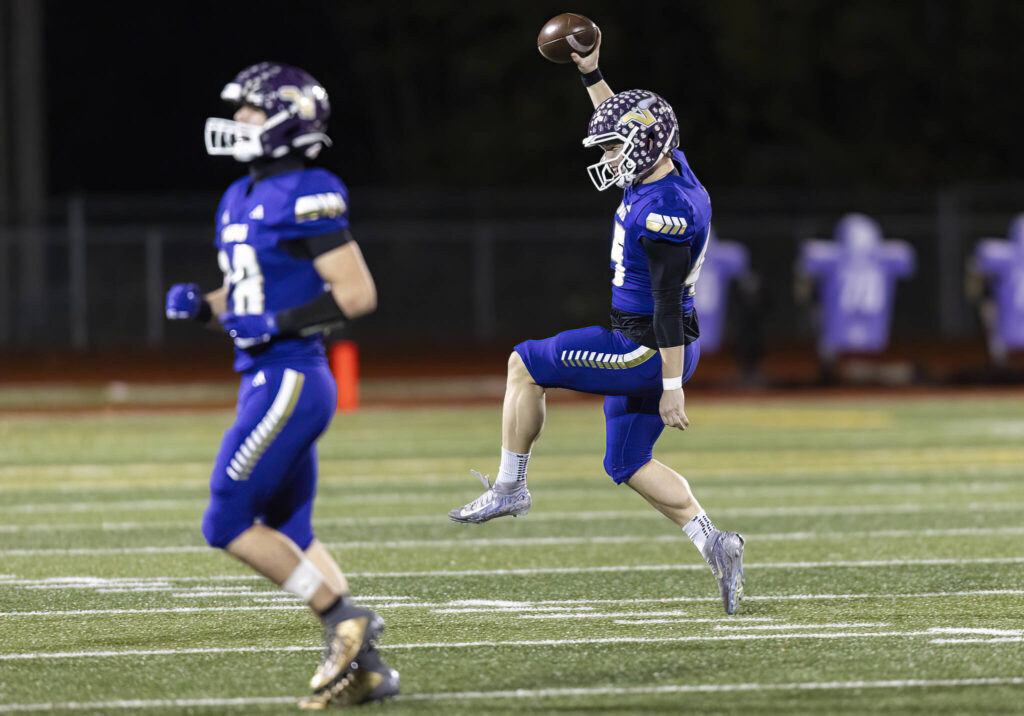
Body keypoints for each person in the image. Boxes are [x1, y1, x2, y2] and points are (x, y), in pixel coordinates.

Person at [448, 35, 746, 614]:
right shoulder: (669, 168)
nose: (609, 158)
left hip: (646, 345)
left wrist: (670, 386)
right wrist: (591, 74)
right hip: (663, 338)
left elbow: (662, 302)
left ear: (643, 147)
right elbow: (628, 126)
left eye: (615, 150)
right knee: (627, 463)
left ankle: (511, 486)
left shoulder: (666, 209)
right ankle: (715, 543)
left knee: (524, 363)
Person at [166, 62, 398, 708]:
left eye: (250, 110)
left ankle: (342, 618)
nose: (238, 120)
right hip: (261, 378)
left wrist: (277, 322)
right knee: (288, 527)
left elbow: (356, 294)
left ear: (286, 119)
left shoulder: (310, 189)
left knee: (225, 519)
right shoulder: (237, 197)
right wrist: (206, 307)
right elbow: (247, 296)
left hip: (293, 376)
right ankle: (367, 669)